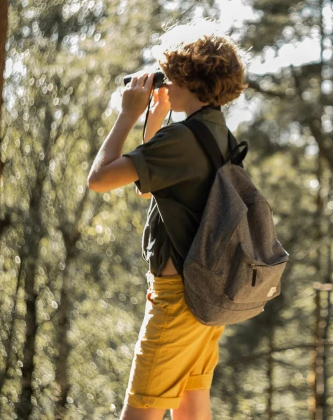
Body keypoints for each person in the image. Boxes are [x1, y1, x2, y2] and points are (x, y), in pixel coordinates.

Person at [87, 23, 247, 420]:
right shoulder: (217, 134)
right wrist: (154, 120)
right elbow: (150, 188)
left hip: (177, 299)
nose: (164, 82)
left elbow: (99, 179)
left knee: (139, 412)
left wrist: (127, 116)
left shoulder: (182, 139)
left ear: (187, 78)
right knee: (192, 407)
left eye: (169, 74)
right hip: (207, 294)